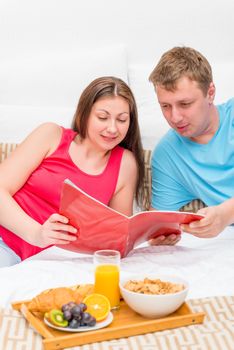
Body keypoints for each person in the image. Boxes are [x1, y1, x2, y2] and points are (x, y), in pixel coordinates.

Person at [0, 76, 146, 267]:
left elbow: (117, 238)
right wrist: (37, 234)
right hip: (6, 241)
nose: (112, 128)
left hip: (55, 262)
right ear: (83, 115)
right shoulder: (50, 135)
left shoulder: (125, 164)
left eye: (122, 120)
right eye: (102, 117)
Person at [149, 46, 234, 242]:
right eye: (165, 106)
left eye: (185, 104)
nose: (175, 117)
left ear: (210, 93)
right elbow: (158, 220)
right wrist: (157, 236)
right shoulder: (168, 153)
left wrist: (225, 214)